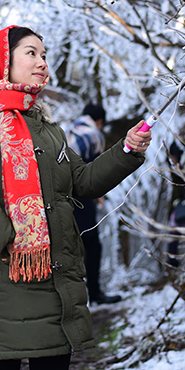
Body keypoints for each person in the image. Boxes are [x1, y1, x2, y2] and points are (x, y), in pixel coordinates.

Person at [0, 25, 152, 370]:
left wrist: (126, 151)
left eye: (44, 54)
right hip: (7, 278)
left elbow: (84, 182)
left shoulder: (47, 129)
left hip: (56, 275)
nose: (42, 62)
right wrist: (10, 235)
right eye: (31, 53)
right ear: (4, 61)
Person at [66, 102, 121, 304]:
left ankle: (73, 296)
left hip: (60, 196)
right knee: (91, 245)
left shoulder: (68, 130)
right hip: (80, 197)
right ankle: (95, 293)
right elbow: (95, 172)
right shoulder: (94, 135)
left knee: (69, 245)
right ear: (100, 121)